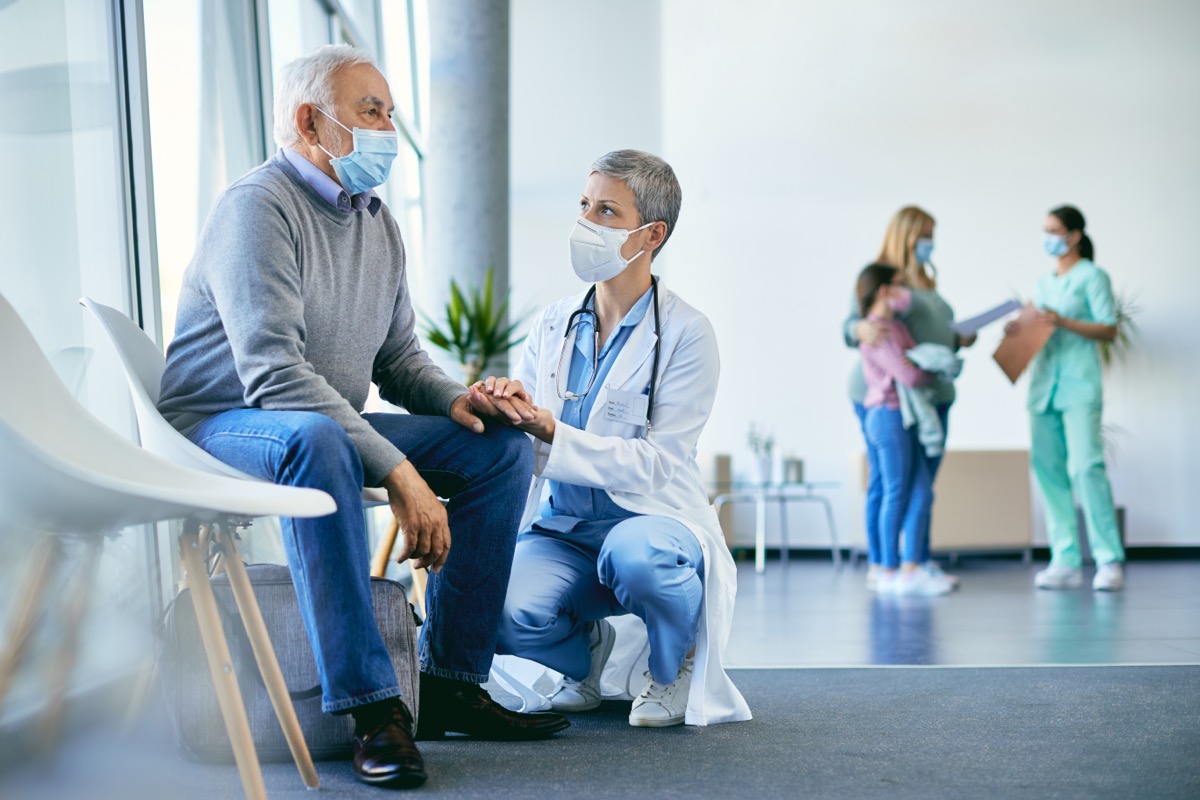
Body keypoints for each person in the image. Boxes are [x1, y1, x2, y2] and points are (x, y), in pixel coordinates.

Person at [157, 45, 567, 790]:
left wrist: (459, 401)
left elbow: (400, 359)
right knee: (322, 441)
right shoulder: (257, 208)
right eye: (370, 111)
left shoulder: (375, 222)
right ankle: (371, 708)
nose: (388, 129)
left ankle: (449, 682)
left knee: (497, 448)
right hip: (223, 427)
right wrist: (398, 469)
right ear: (311, 121)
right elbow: (275, 376)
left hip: (317, 428)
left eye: (390, 111)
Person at [468, 150, 751, 728]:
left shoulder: (687, 333)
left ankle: (672, 669)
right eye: (584, 205)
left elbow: (657, 465)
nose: (586, 223)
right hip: (565, 528)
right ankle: (584, 660)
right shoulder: (552, 323)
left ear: (651, 234)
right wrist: (507, 407)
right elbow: (533, 435)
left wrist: (553, 427)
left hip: (652, 521)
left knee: (638, 557)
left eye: (605, 210)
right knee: (499, 605)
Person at [843, 206, 972, 594]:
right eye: (925, 235)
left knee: (919, 484)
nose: (930, 243)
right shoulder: (881, 278)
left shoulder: (926, 281)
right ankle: (886, 566)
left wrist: (957, 340)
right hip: (888, 397)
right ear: (907, 235)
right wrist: (860, 327)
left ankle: (915, 561)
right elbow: (856, 325)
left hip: (929, 395)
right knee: (891, 483)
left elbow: (925, 338)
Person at [1019, 205, 1126, 592]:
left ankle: (1108, 558)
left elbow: (1109, 329)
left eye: (1055, 230)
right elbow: (1038, 331)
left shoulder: (1093, 276)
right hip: (1043, 387)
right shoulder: (1044, 283)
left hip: (1079, 386)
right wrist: (1021, 329)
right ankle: (1064, 558)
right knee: (1049, 471)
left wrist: (1063, 321)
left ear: (1074, 235)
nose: (1048, 236)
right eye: (1045, 229)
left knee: (1085, 468)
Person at [855, 264, 939, 595]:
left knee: (920, 489)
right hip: (886, 415)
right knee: (895, 490)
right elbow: (912, 374)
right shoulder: (878, 331)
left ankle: (909, 567)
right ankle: (888, 569)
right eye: (899, 286)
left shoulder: (894, 328)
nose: (907, 294)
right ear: (883, 290)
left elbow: (915, 361)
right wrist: (924, 366)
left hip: (902, 416)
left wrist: (919, 363)